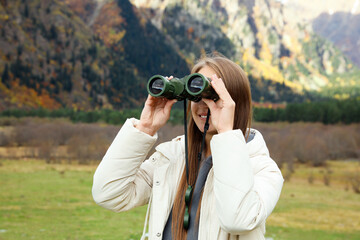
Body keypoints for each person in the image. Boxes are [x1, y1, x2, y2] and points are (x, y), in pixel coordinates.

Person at [92, 54, 284, 240]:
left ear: (235, 102)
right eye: (196, 95)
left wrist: (226, 133)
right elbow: (108, 193)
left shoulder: (262, 170)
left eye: (212, 95)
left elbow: (238, 220)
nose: (203, 105)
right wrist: (145, 127)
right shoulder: (171, 159)